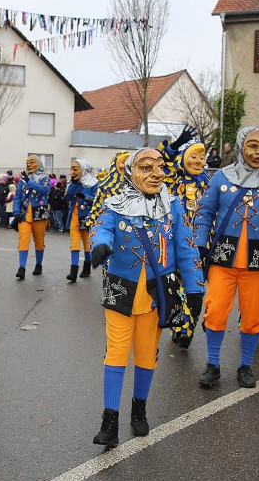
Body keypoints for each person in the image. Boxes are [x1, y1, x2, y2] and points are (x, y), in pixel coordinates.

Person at [88, 148, 201, 446]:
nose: (155, 173)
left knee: (146, 353)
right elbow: (101, 229)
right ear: (130, 172)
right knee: (116, 352)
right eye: (146, 167)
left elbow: (187, 248)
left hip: (157, 294)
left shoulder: (173, 206)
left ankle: (139, 409)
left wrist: (194, 289)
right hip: (120, 290)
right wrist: (100, 246)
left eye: (160, 167)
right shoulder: (115, 205)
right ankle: (109, 421)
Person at [194, 128, 259, 388]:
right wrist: (199, 244)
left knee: (254, 316)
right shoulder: (222, 176)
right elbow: (204, 212)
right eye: (253, 146)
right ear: (242, 146)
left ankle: (245, 365)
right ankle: (213, 364)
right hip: (223, 256)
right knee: (215, 310)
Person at [157, 128, 212, 348]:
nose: (198, 161)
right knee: (175, 285)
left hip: (199, 244)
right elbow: (161, 163)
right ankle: (178, 323)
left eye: (202, 157)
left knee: (194, 284)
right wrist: (175, 145)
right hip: (173, 241)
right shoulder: (172, 179)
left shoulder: (209, 185)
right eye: (193, 156)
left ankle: (186, 329)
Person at [11, 155, 51, 279]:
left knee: (39, 242)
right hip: (24, 215)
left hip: (39, 214)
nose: (28, 165)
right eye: (27, 162)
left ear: (38, 164)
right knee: (23, 241)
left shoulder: (45, 178)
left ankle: (38, 264)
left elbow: (43, 190)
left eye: (32, 162)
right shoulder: (22, 181)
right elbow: (17, 197)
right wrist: (16, 212)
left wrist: (29, 181)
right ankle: (21, 268)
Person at [65, 160, 98, 282]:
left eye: (75, 169)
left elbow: (97, 200)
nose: (72, 172)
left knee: (87, 244)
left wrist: (86, 197)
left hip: (86, 218)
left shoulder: (94, 184)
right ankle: (73, 272)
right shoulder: (75, 183)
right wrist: (73, 184)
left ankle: (87, 268)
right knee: (74, 244)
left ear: (83, 169)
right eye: (72, 169)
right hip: (74, 218)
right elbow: (67, 197)